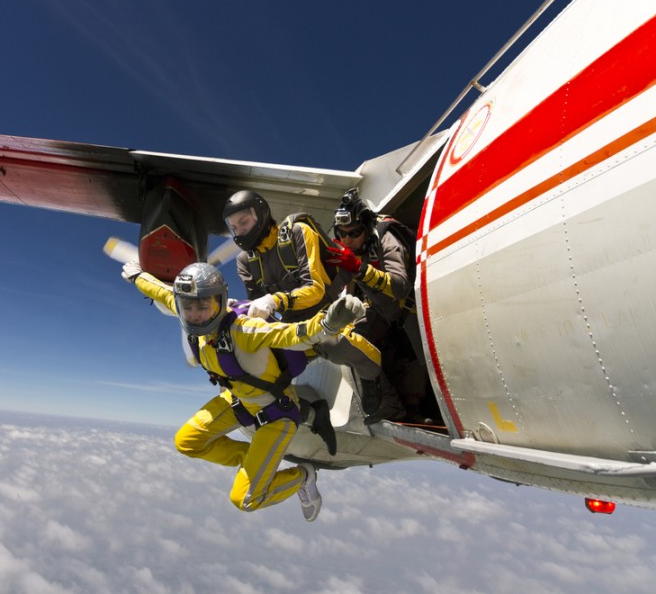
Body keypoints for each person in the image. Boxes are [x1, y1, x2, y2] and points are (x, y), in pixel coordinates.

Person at [121, 260, 365, 522]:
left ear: (219, 302)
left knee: (246, 499)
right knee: (187, 442)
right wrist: (138, 277)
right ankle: (255, 462)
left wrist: (327, 325)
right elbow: (163, 292)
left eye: (204, 307)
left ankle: (303, 476)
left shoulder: (243, 329)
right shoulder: (189, 311)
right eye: (188, 307)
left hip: (276, 413)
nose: (195, 315)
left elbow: (291, 335)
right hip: (238, 401)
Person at [222, 189, 383, 408]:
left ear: (260, 214)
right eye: (234, 228)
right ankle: (305, 410)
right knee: (261, 364)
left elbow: (315, 288)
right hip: (290, 324)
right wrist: (235, 309)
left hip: (326, 311)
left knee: (336, 345)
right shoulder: (245, 261)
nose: (240, 231)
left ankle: (373, 378)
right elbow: (258, 308)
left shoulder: (298, 232)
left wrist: (276, 301)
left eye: (244, 222)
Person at [325, 188, 431, 424]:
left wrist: (359, 268)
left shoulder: (385, 235)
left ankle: (417, 410)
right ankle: (387, 400)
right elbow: (331, 290)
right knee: (341, 342)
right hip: (380, 309)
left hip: (411, 308)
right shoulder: (348, 250)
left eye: (354, 233)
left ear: (366, 228)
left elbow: (400, 286)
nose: (347, 240)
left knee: (422, 364)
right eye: (341, 234)